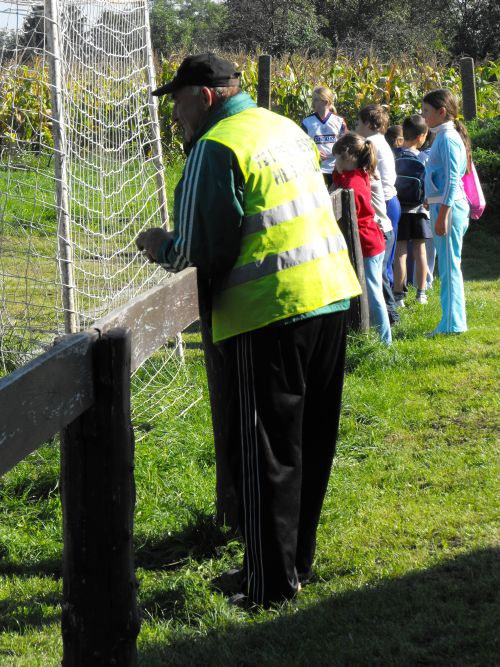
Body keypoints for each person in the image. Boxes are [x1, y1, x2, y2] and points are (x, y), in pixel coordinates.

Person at [135, 54, 361, 607]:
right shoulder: (283, 127)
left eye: (179, 100)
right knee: (309, 442)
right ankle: (293, 562)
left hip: (269, 312)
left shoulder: (216, 148)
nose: (175, 114)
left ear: (206, 96)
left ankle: (267, 586)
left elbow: (198, 249)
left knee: (267, 453)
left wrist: (157, 244)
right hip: (330, 297)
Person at [332, 133, 392, 345]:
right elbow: (340, 181)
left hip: (366, 243)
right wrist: (338, 171)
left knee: (374, 293)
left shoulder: (352, 183)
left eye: (337, 159)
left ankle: (385, 341)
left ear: (348, 156)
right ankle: (376, 336)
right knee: (372, 289)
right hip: (373, 239)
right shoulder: (359, 174)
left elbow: (350, 207)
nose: (335, 164)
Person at [422, 88, 471, 336]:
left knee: (450, 268)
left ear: (442, 112)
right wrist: (431, 199)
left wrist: (443, 214)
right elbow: (441, 177)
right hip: (442, 206)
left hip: (449, 209)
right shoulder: (443, 136)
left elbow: (453, 180)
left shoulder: (448, 138)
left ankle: (452, 325)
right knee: (449, 265)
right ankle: (452, 321)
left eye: (426, 112)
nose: (423, 116)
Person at [356, 105, 400, 325]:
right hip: (391, 201)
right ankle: (390, 312)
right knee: (385, 263)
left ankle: (390, 316)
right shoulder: (381, 140)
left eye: (358, 123)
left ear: (368, 124)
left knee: (379, 267)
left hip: (382, 203)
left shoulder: (370, 143)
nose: (356, 127)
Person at [393, 114, 431, 306]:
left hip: (399, 209)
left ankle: (399, 295)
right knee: (420, 251)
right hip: (419, 211)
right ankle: (421, 293)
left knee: (400, 251)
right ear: (421, 136)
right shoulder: (424, 157)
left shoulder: (395, 155)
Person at [301, 86, 348, 187]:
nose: (312, 103)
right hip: (315, 169)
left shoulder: (339, 121)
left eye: (316, 100)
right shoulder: (307, 122)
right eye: (312, 100)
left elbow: (345, 146)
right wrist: (314, 152)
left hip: (335, 169)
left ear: (326, 102)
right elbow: (301, 145)